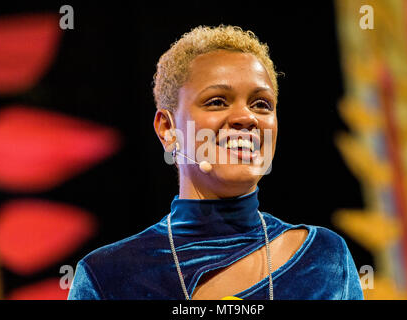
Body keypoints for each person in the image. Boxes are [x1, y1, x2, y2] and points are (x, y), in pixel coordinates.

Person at [68, 25, 364, 300]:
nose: (246, 118)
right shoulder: (107, 278)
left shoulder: (325, 258)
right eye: (217, 101)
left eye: (261, 104)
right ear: (167, 129)